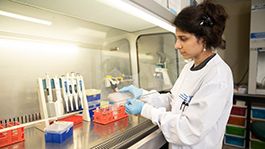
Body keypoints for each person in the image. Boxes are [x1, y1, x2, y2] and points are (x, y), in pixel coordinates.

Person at [119, 0, 233, 148]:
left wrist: (145, 110)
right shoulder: (190, 66)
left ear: (203, 39)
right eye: (177, 38)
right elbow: (173, 99)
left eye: (183, 39)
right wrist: (142, 95)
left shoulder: (218, 76)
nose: (176, 45)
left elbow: (189, 130)